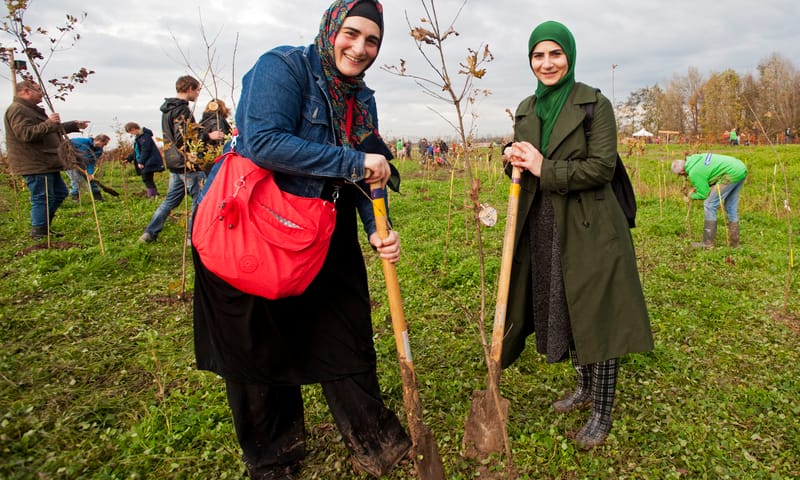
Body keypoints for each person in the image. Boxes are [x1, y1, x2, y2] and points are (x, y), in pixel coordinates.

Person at [191, 1, 411, 478]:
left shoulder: (361, 98)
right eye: (352, 33)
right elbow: (263, 141)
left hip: (323, 229)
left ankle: (374, 439)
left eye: (372, 40)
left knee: (345, 331)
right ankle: (274, 455)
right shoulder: (284, 67)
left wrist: (377, 229)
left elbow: (369, 175)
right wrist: (352, 163)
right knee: (259, 345)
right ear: (331, 28)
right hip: (253, 228)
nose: (360, 47)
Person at [500, 21, 653, 450]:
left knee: (597, 311)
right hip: (544, 223)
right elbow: (523, 162)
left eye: (555, 54)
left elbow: (602, 168)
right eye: (538, 55)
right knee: (565, 306)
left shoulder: (594, 104)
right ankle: (584, 387)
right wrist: (510, 156)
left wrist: (544, 168)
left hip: (591, 224)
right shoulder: (527, 108)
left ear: (569, 56)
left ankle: (602, 411)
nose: (547, 63)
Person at [138, 75, 223, 243]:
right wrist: (208, 135)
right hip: (187, 163)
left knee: (170, 201)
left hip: (174, 162)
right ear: (189, 88)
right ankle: (193, 237)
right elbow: (183, 138)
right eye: (197, 90)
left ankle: (149, 233)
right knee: (200, 201)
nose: (198, 93)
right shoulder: (181, 109)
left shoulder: (168, 109)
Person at [4, 79, 89, 240]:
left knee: (59, 193)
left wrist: (72, 125)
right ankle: (39, 232)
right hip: (35, 163)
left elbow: (47, 129)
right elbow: (26, 134)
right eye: (38, 90)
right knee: (42, 197)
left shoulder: (30, 110)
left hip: (46, 162)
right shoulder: (18, 110)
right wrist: (49, 122)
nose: (42, 94)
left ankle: (44, 227)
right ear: (26, 91)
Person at [671, 153, 747, 248]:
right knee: (730, 207)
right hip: (740, 167)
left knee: (709, 204)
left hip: (731, 173)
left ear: (682, 172)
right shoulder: (695, 159)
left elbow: (704, 194)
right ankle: (734, 243)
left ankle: (708, 243)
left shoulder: (694, 172)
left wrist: (690, 196)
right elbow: (710, 174)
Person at [124, 122, 165, 198]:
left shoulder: (144, 137)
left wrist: (141, 162)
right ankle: (154, 194)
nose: (131, 134)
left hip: (149, 161)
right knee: (147, 178)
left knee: (147, 178)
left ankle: (152, 196)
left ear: (134, 129)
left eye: (131, 132)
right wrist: (128, 159)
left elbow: (146, 150)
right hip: (146, 161)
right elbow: (137, 151)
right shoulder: (139, 138)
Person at [66, 134, 111, 202]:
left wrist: (90, 173)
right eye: (103, 144)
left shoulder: (99, 151)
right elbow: (65, 144)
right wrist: (70, 157)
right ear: (98, 141)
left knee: (91, 180)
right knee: (76, 180)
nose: (103, 146)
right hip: (72, 164)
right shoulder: (81, 141)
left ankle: (97, 197)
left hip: (84, 166)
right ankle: (75, 198)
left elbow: (91, 162)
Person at [198, 98, 233, 174]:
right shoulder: (219, 122)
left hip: (203, 161)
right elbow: (223, 143)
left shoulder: (201, 123)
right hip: (216, 162)